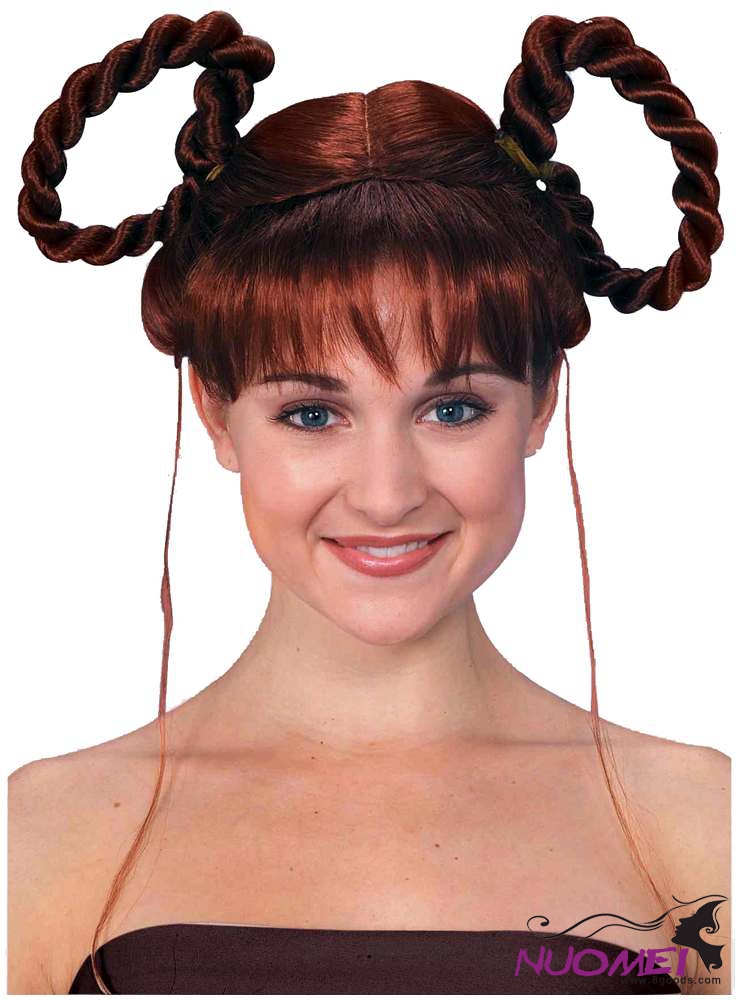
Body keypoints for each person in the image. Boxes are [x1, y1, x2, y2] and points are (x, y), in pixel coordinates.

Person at [8, 9, 729, 995]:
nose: (387, 495)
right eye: (312, 414)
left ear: (539, 406)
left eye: (451, 408)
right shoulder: (40, 834)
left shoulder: (700, 822)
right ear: (216, 413)